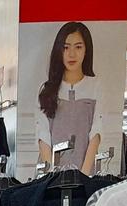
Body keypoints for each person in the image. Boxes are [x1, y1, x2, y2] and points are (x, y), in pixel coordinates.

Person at [37, 21, 100, 175]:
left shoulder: (96, 86)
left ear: (86, 50)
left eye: (78, 47)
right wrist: (52, 176)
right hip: (50, 175)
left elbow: (96, 134)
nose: (72, 54)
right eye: (66, 47)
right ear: (59, 50)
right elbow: (43, 136)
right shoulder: (47, 89)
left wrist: (83, 177)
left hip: (85, 173)